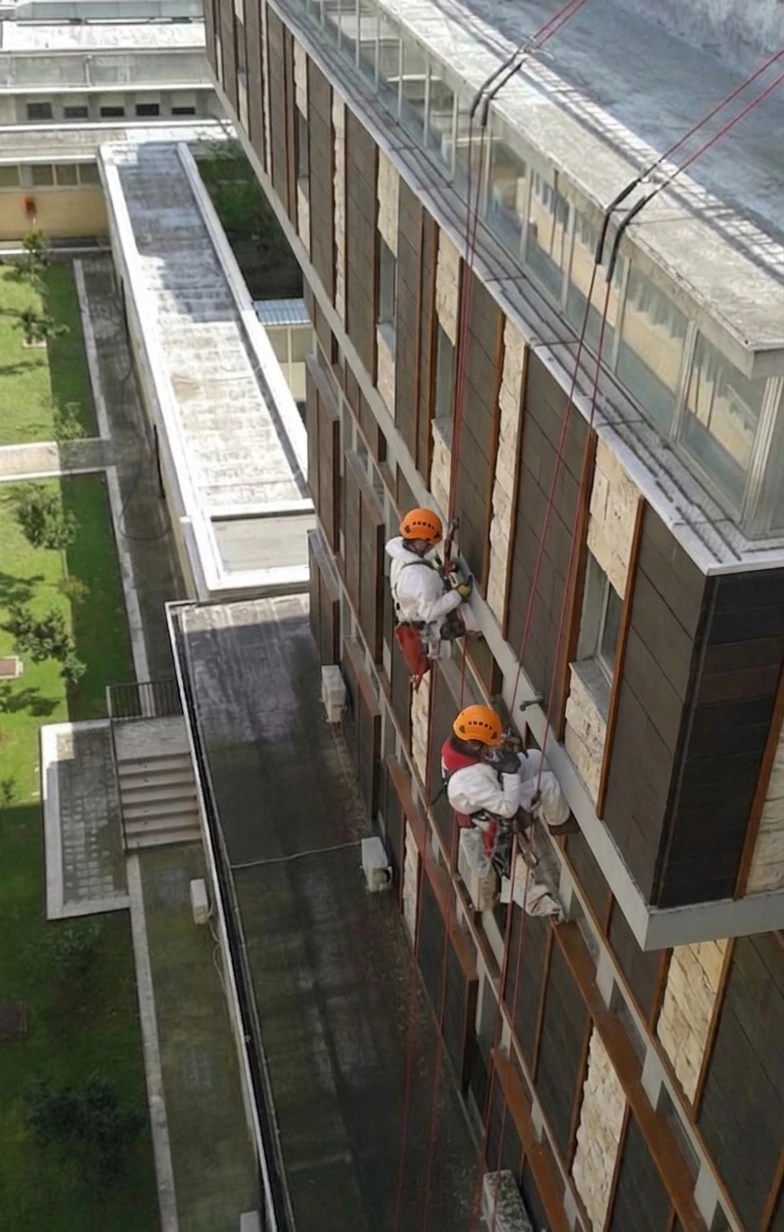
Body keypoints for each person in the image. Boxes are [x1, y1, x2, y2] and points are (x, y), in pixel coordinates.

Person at [386, 508, 477, 684]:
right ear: (422, 544)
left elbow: (420, 582)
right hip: (428, 618)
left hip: (414, 609)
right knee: (477, 619)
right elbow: (429, 612)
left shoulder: (401, 558)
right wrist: (457, 594)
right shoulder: (420, 577)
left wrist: (441, 572)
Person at [442, 704, 523, 875]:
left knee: (537, 759)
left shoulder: (460, 750)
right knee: (547, 784)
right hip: (490, 813)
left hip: (488, 791)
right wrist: (510, 772)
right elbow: (507, 809)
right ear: (474, 745)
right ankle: (559, 821)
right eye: (490, 744)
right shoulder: (469, 779)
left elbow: (486, 757)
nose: (494, 746)